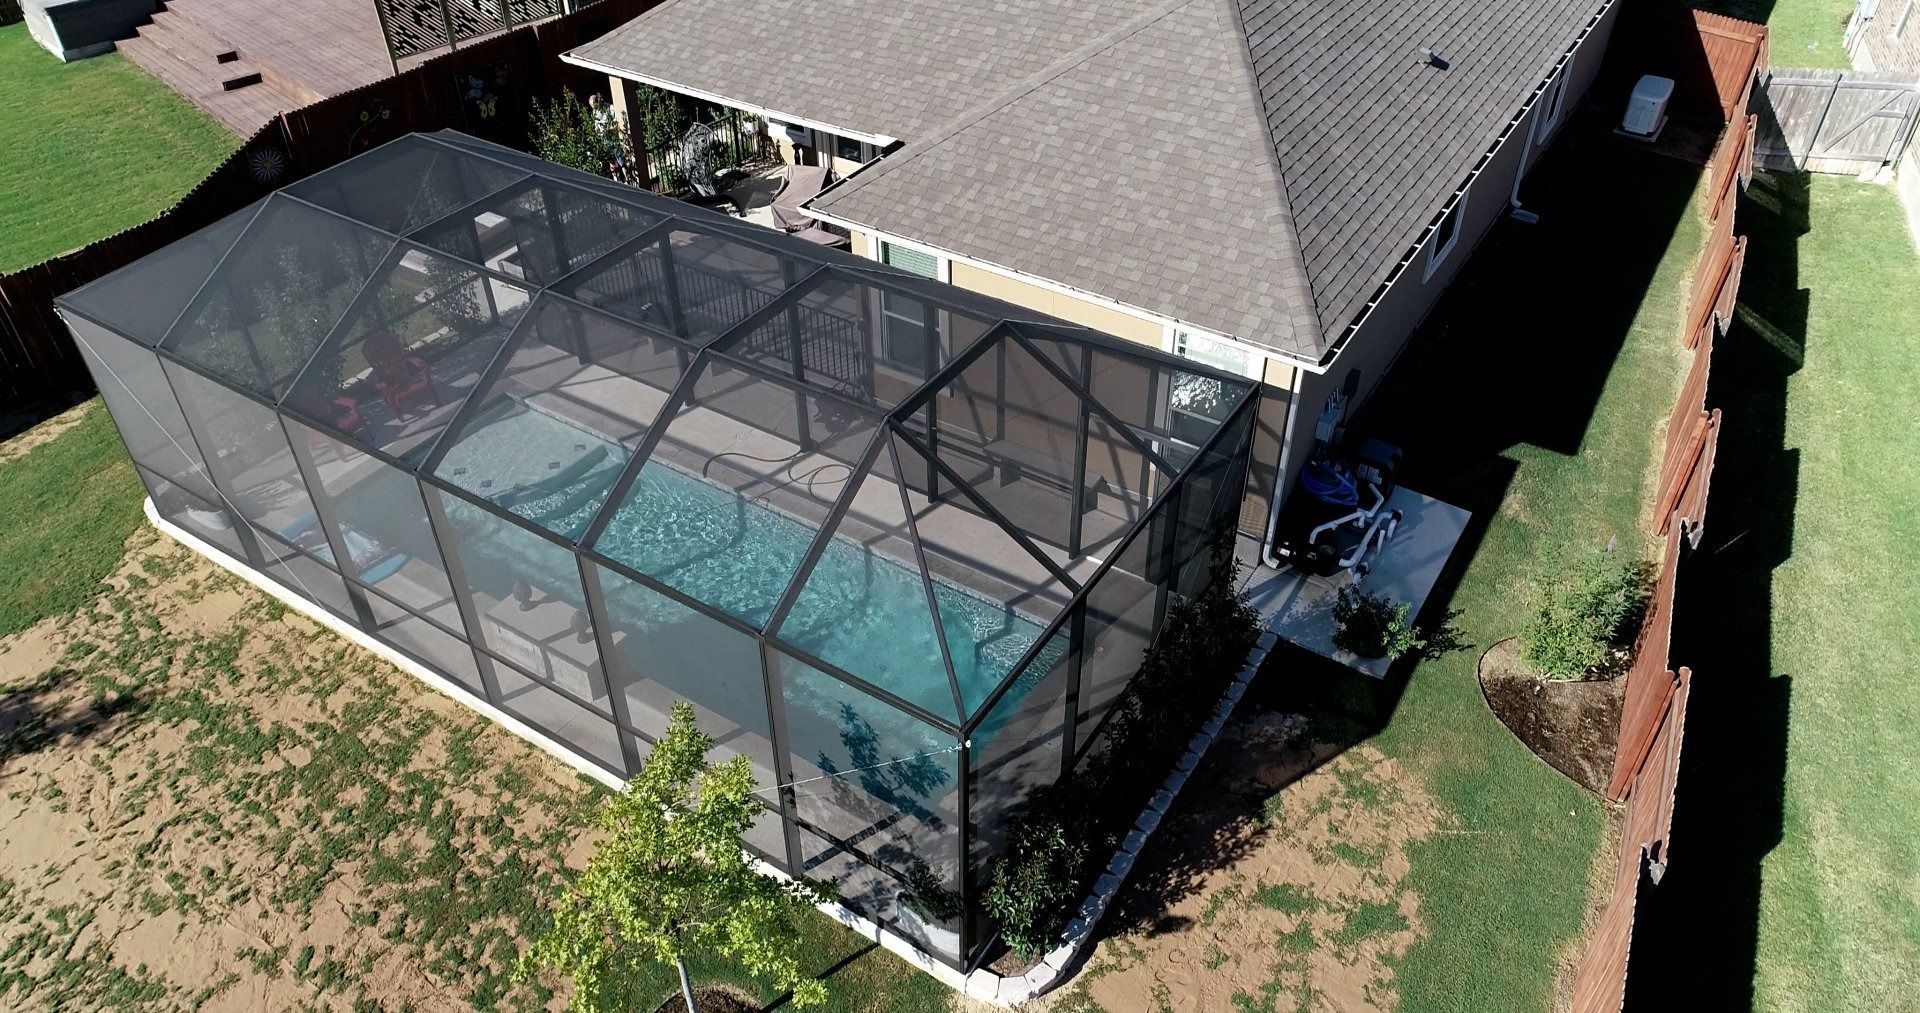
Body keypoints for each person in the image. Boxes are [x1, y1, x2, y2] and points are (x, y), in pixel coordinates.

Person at [588, 94, 632, 184]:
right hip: (605, 141)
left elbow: (616, 123)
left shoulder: (610, 108)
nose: (594, 108)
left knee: (621, 161)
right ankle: (617, 181)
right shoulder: (595, 112)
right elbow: (596, 125)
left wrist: (608, 130)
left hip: (613, 139)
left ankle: (628, 181)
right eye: (592, 107)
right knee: (611, 162)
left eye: (594, 106)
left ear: (598, 102)